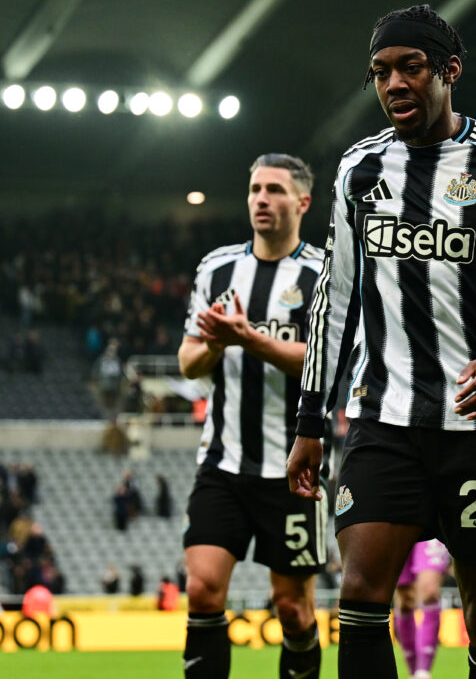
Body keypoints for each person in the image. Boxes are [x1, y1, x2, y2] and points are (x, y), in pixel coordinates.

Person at [286, 5, 476, 679]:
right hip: (385, 419)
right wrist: (310, 420)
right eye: (381, 72)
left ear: (450, 71)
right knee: (357, 597)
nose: (394, 84)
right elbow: (336, 296)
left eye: (410, 67)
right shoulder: (359, 168)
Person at [178, 153, 328, 679]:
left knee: (292, 609)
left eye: (275, 190)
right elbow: (189, 360)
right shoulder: (217, 268)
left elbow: (326, 363)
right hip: (223, 463)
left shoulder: (323, 275)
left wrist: (250, 339)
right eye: (255, 189)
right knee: (201, 589)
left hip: (295, 472)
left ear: (303, 202)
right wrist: (219, 342)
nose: (261, 199)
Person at [394, 539, 451, 679]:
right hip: (397, 523)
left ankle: (423, 672)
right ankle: (413, 673)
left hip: (430, 524)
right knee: (404, 600)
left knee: (429, 591)